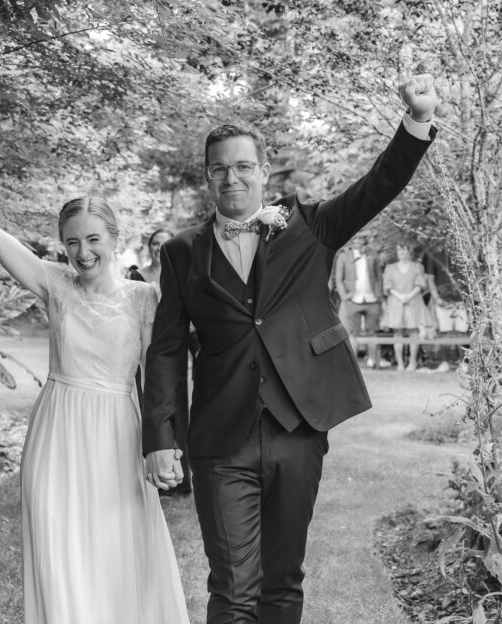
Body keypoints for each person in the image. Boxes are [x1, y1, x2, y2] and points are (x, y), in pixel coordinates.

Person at [142, 75, 438, 624]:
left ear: (263, 169)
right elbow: (164, 350)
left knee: (282, 583)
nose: (231, 177)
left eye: (242, 166)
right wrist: (160, 437)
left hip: (297, 428)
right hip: (219, 439)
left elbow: (380, 184)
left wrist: (416, 120)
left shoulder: (311, 226)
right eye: (219, 168)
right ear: (208, 176)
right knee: (232, 588)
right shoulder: (183, 252)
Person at [0, 131, 189, 624]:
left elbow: (164, 379)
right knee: (56, 550)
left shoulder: (146, 300)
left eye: (93, 239)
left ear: (114, 240)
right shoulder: (53, 283)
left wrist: (169, 443)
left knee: (118, 554)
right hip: (57, 431)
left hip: (118, 432)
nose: (83, 251)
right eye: (72, 241)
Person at [127, 228, 193, 496]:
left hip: (172, 354)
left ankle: (178, 476)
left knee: (178, 411)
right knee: (146, 409)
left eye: (164, 243)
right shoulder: (137, 277)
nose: (159, 247)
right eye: (155, 243)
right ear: (150, 246)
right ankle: (148, 470)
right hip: (144, 353)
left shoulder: (183, 274)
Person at [329, 233, 383, 368]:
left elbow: (379, 276)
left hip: (371, 298)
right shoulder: (344, 255)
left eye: (361, 239)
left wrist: (379, 295)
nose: (359, 241)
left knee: (372, 332)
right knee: (352, 332)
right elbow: (338, 278)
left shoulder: (372, 254)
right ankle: (353, 364)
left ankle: (373, 361)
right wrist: (343, 296)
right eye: (356, 238)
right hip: (352, 299)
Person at [383, 242, 433, 371]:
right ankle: (399, 363)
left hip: (413, 301)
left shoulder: (417, 266)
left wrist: (408, 296)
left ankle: (412, 363)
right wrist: (399, 296)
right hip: (395, 301)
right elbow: (387, 286)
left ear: (409, 252)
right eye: (399, 250)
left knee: (413, 332)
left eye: (404, 250)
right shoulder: (390, 267)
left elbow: (421, 284)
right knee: (397, 333)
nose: (401, 252)